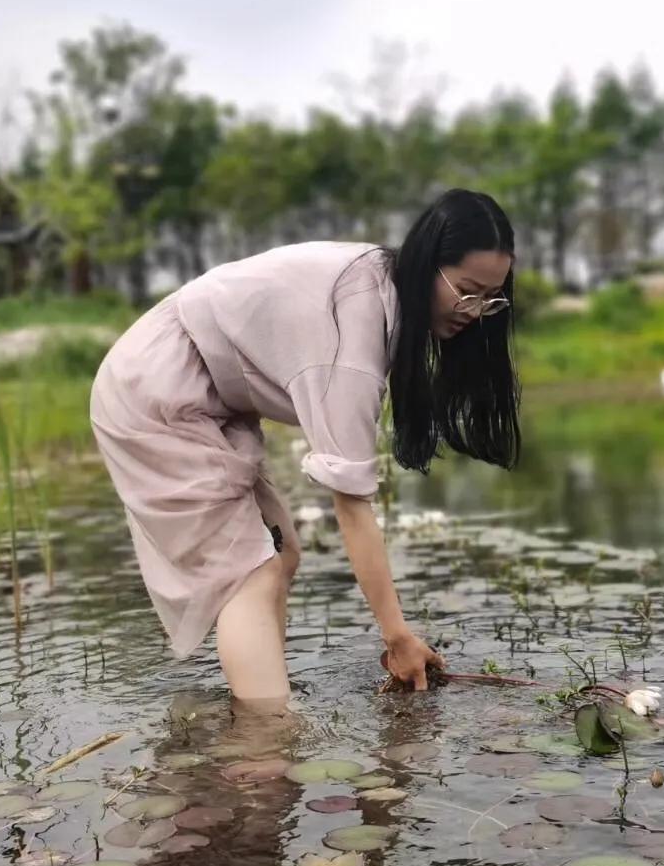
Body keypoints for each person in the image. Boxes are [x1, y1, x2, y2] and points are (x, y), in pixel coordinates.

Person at [90, 188, 521, 708]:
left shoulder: (381, 290)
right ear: (429, 264)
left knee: (280, 551)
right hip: (157, 387)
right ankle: (267, 739)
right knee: (250, 572)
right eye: (467, 292)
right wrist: (397, 636)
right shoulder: (354, 332)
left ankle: (260, 701)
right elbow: (353, 507)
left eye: (491, 299)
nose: (476, 313)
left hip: (196, 387)